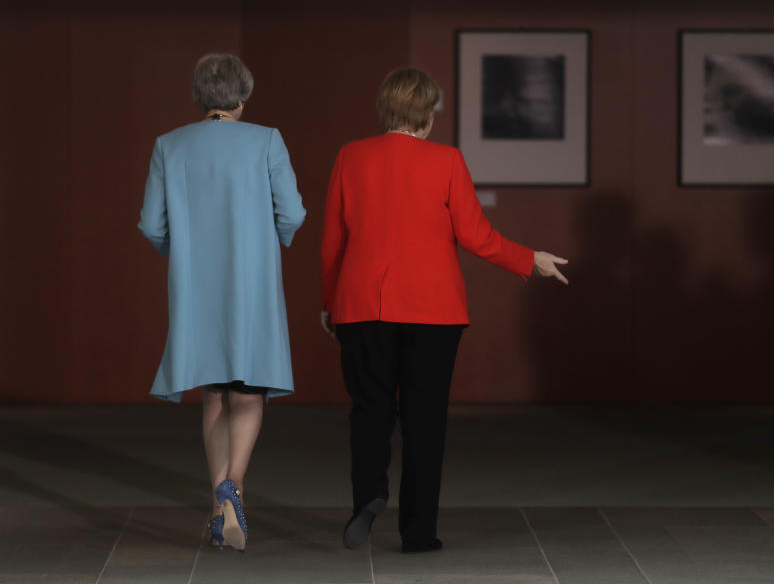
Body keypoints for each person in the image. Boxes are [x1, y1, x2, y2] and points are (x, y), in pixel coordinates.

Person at [320, 68, 568, 554]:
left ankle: (368, 498)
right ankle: (417, 533)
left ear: (384, 109)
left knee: (369, 411)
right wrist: (529, 259)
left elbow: (333, 243)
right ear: (427, 116)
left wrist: (330, 303)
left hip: (362, 303)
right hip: (433, 310)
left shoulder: (350, 156)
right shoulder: (447, 161)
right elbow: (477, 237)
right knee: (425, 419)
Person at [138, 53, 306, 551]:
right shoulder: (265, 140)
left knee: (214, 392)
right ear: (242, 96)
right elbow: (293, 213)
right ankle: (233, 487)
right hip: (250, 277)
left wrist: (183, 253)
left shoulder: (169, 145)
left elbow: (150, 224)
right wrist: (270, 237)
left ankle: (218, 509)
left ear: (198, 95)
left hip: (195, 283)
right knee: (249, 390)